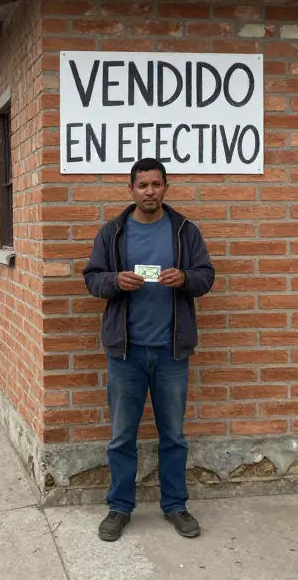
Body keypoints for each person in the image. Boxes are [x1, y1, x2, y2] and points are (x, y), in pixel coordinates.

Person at [82, 157, 215, 542]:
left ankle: (175, 505)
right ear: (131, 190)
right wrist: (114, 281)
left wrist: (186, 278)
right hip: (126, 352)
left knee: (173, 435)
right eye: (142, 185)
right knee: (122, 436)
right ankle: (119, 508)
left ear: (165, 188)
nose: (150, 192)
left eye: (156, 184)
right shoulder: (113, 232)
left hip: (172, 351)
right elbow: (91, 278)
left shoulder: (185, 231)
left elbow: (206, 276)